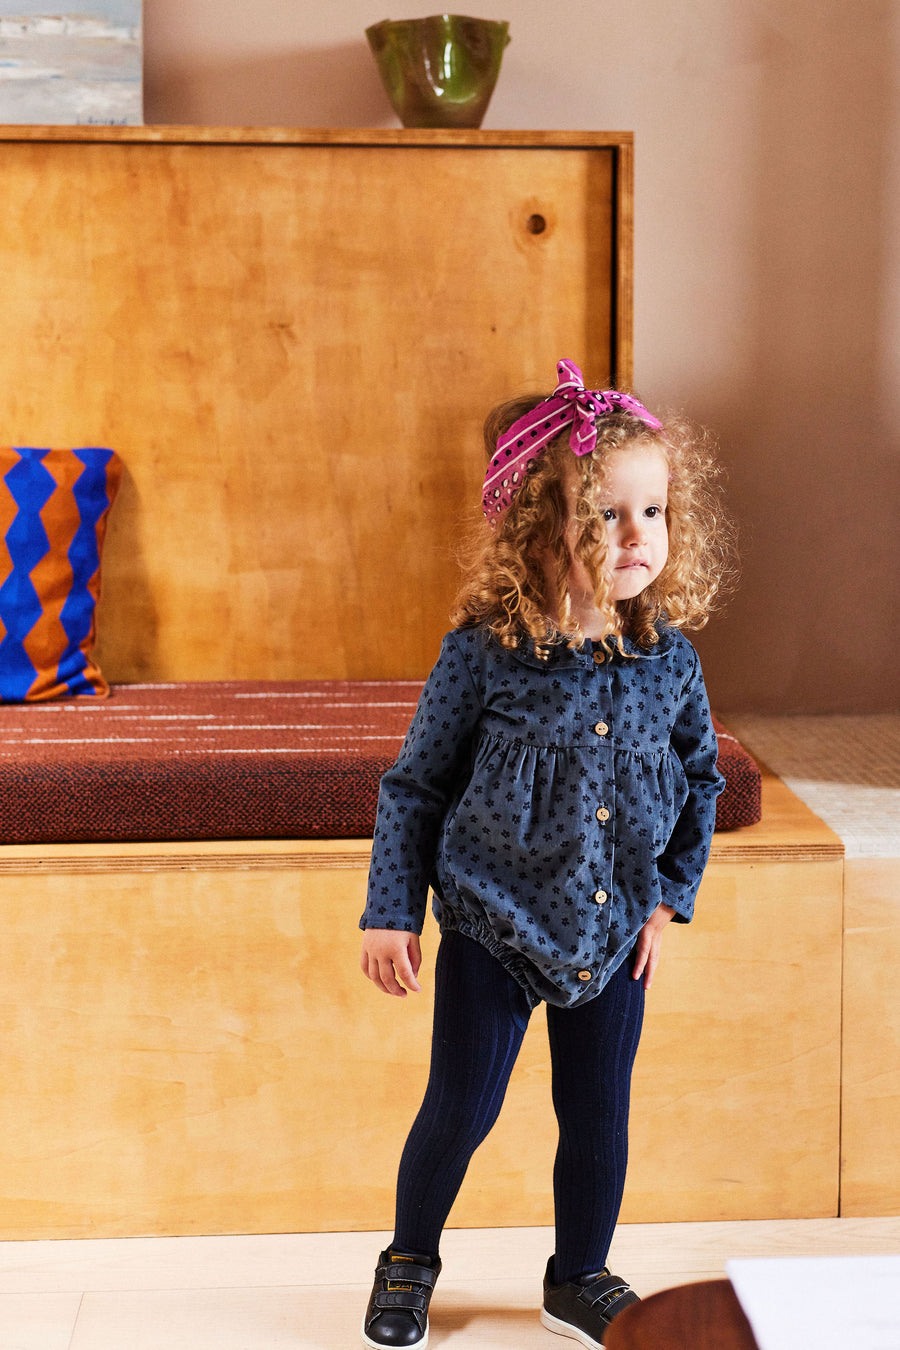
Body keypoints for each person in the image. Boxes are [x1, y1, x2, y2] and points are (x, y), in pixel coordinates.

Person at [359, 358, 735, 1349]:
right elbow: (414, 786)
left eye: (652, 512)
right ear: (538, 533)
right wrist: (392, 911)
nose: (636, 536)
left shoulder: (669, 662)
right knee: (460, 1107)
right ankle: (408, 1262)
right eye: (605, 516)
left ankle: (579, 1276)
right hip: (495, 921)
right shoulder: (484, 655)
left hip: (614, 934)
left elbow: (702, 782)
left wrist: (669, 899)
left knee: (598, 1114)